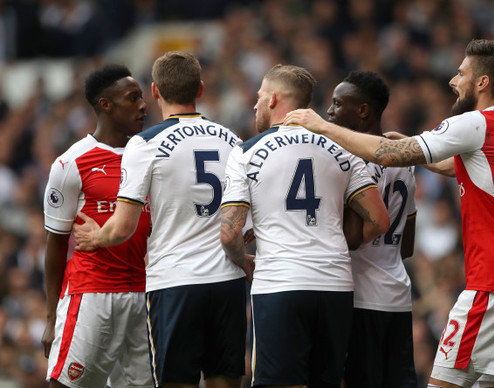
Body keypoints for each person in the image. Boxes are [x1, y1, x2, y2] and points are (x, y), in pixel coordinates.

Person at [284, 39, 494, 388]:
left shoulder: (475, 123)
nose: (454, 81)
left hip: (492, 284)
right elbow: (463, 167)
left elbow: (390, 155)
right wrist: (411, 147)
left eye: (461, 73)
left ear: (482, 83)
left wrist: (323, 127)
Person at [73, 51, 247, 388]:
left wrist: (96, 238)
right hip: (227, 280)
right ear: (200, 88)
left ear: (155, 91)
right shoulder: (234, 141)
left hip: (175, 282)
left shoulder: (145, 144)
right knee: (224, 380)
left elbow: (122, 227)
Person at [219, 64, 390, 388]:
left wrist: (243, 261)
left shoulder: (247, 152)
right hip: (335, 286)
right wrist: (338, 243)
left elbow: (229, 233)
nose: (254, 104)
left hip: (280, 285)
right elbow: (379, 220)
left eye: (259, 97)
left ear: (273, 100)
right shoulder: (344, 148)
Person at [42, 64, 153, 388]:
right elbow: (56, 243)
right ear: (106, 105)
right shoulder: (71, 163)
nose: (143, 105)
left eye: (142, 97)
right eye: (132, 98)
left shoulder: (151, 156)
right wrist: (51, 317)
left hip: (145, 294)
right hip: (93, 292)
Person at [327, 70, 418, 387]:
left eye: (338, 104)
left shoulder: (356, 162)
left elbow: (352, 236)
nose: (330, 112)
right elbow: (406, 246)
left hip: (361, 299)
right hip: (397, 296)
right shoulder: (404, 160)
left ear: (363, 110)